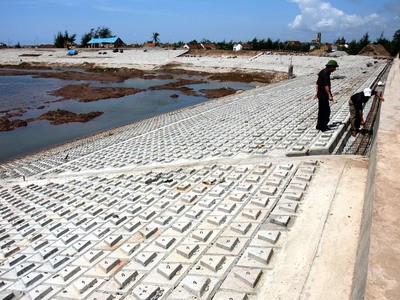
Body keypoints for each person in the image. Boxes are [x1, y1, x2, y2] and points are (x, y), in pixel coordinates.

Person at [314, 60, 339, 131]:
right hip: (324, 95)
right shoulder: (326, 73)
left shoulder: (322, 71)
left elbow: (317, 84)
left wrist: (317, 93)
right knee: (326, 111)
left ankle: (319, 126)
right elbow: (326, 85)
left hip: (320, 94)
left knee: (321, 110)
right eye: (334, 67)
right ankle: (323, 126)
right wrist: (329, 95)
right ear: (331, 67)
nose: (335, 69)